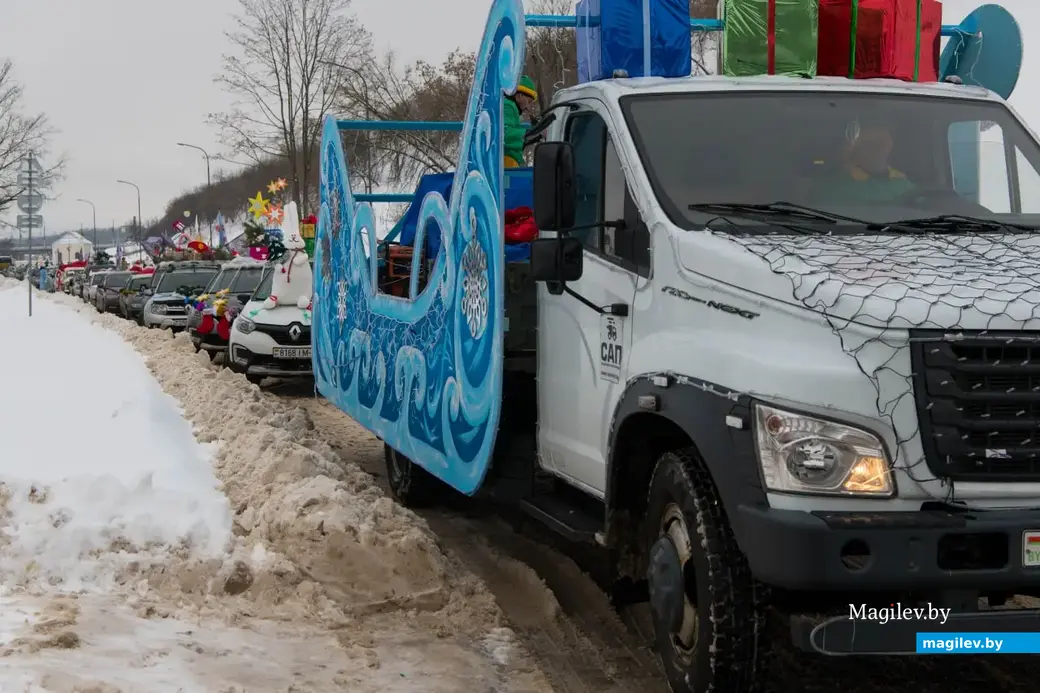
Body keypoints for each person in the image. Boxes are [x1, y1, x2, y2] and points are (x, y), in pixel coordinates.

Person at [817, 123, 915, 203]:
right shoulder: (835, 186)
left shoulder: (904, 184)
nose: (877, 150)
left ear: (889, 147)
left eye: (882, 143)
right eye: (869, 145)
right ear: (856, 149)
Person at [504, 76, 537, 168]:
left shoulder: (512, 108)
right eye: (529, 101)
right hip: (507, 162)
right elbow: (505, 135)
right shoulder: (507, 106)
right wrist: (530, 134)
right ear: (519, 96)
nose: (529, 107)